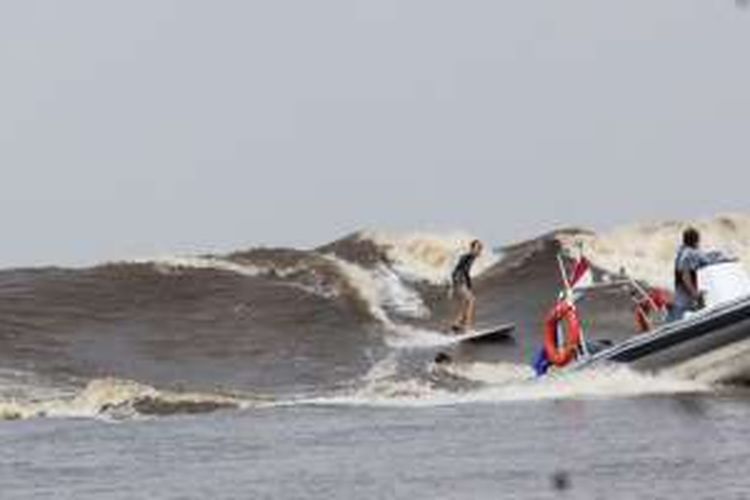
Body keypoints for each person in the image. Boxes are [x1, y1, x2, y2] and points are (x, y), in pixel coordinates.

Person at [671, 227, 731, 321]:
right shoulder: (688, 255)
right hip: (684, 303)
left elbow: (704, 259)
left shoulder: (683, 252)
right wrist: (695, 294)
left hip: (682, 301)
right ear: (696, 240)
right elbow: (685, 276)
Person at [450, 240, 483, 332]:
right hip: (459, 280)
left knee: (466, 302)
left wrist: (468, 285)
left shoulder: (471, 257)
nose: (479, 250)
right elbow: (458, 270)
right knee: (471, 300)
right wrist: (456, 283)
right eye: (478, 248)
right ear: (472, 248)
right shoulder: (467, 257)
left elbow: (465, 272)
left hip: (461, 280)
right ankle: (467, 327)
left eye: (480, 248)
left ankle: (456, 324)